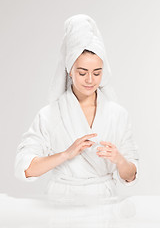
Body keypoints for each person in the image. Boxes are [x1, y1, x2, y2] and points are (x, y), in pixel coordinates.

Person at [14, 14, 139, 205]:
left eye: (96, 72)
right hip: (62, 201)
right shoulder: (49, 115)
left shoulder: (118, 115)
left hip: (104, 202)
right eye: (82, 72)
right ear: (70, 70)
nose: (90, 80)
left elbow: (130, 175)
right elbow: (25, 169)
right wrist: (66, 154)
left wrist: (119, 160)